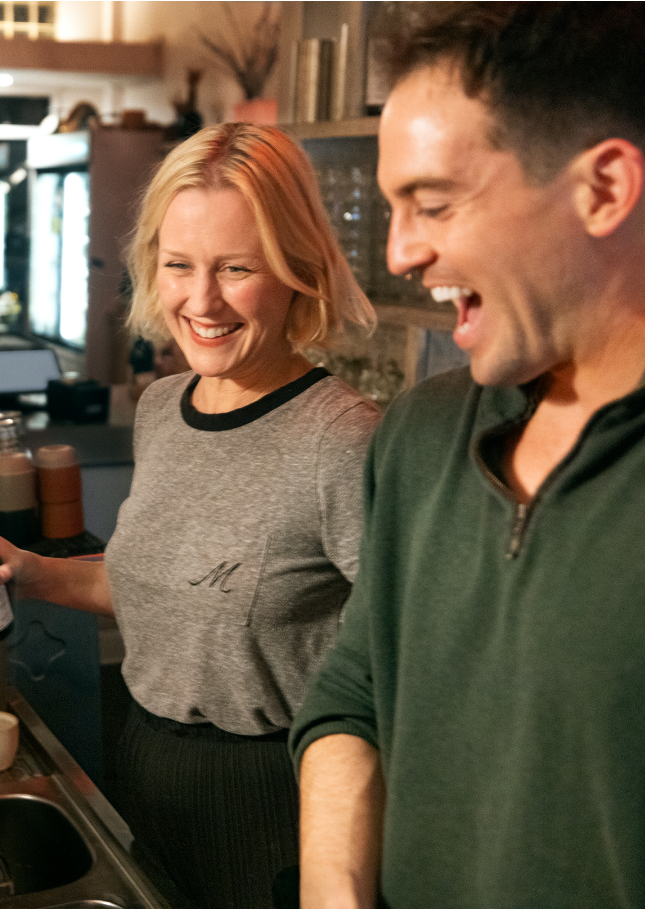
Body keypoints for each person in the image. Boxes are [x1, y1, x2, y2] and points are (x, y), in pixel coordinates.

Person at [0, 122, 380, 909]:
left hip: (274, 806)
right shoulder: (165, 407)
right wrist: (30, 573)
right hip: (143, 763)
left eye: (236, 268)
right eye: (179, 265)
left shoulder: (342, 439)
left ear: (299, 270)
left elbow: (402, 666)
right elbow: (169, 588)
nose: (201, 300)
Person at [289, 4, 645, 907]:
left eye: (435, 203)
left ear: (605, 188)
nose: (401, 251)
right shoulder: (422, 434)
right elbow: (355, 693)